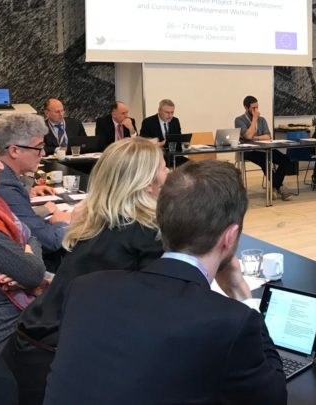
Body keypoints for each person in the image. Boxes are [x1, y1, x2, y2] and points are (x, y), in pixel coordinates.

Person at [43, 160, 286, 404]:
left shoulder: (86, 289)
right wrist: (241, 293)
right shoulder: (232, 322)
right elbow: (274, 397)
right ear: (230, 236)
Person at [1, 137, 166, 405]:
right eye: (164, 167)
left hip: (27, 350)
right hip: (57, 364)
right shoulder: (147, 235)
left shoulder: (95, 224)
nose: (169, 173)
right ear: (148, 182)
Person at [0, 126, 46, 352]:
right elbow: (33, 274)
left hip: (18, 319)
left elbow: (31, 236)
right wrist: (27, 259)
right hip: (5, 334)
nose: (0, 166)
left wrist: (25, 254)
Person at [0, 113, 71, 252]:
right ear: (14, 151)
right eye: (39, 148)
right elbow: (50, 241)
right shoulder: (5, 186)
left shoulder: (5, 177)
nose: (43, 153)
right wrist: (63, 222)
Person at [235, 95, 292, 201]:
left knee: (285, 159)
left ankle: (275, 186)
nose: (256, 110)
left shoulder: (262, 120)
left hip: (264, 149)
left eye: (257, 107)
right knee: (265, 161)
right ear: (246, 108)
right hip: (248, 150)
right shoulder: (239, 120)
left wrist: (255, 138)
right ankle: (279, 187)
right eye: (253, 108)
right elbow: (248, 136)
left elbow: (268, 136)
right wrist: (254, 119)